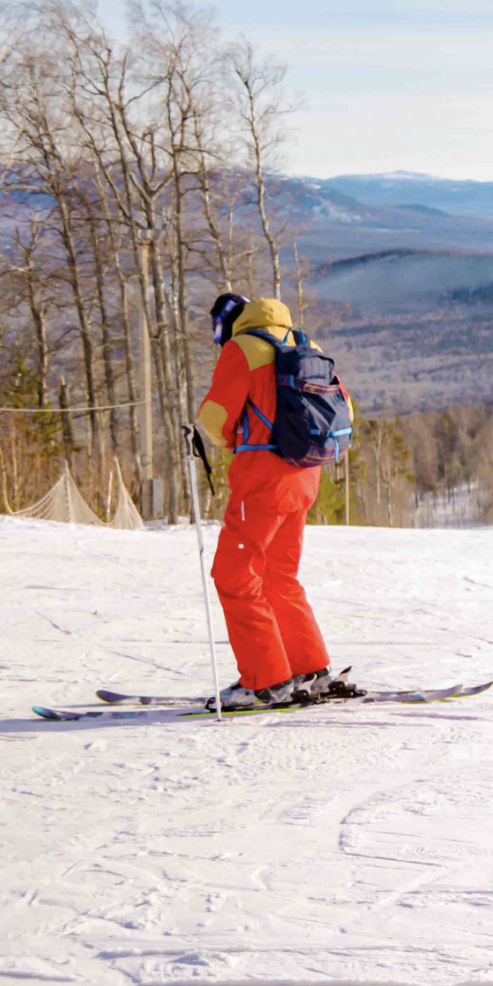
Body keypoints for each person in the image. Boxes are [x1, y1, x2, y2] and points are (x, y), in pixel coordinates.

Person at [196, 294, 335, 709]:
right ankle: (311, 670)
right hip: (306, 476)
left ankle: (266, 681)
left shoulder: (243, 349)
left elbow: (215, 417)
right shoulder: (309, 345)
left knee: (235, 576)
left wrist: (229, 441)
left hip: (262, 482)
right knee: (279, 576)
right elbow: (344, 409)